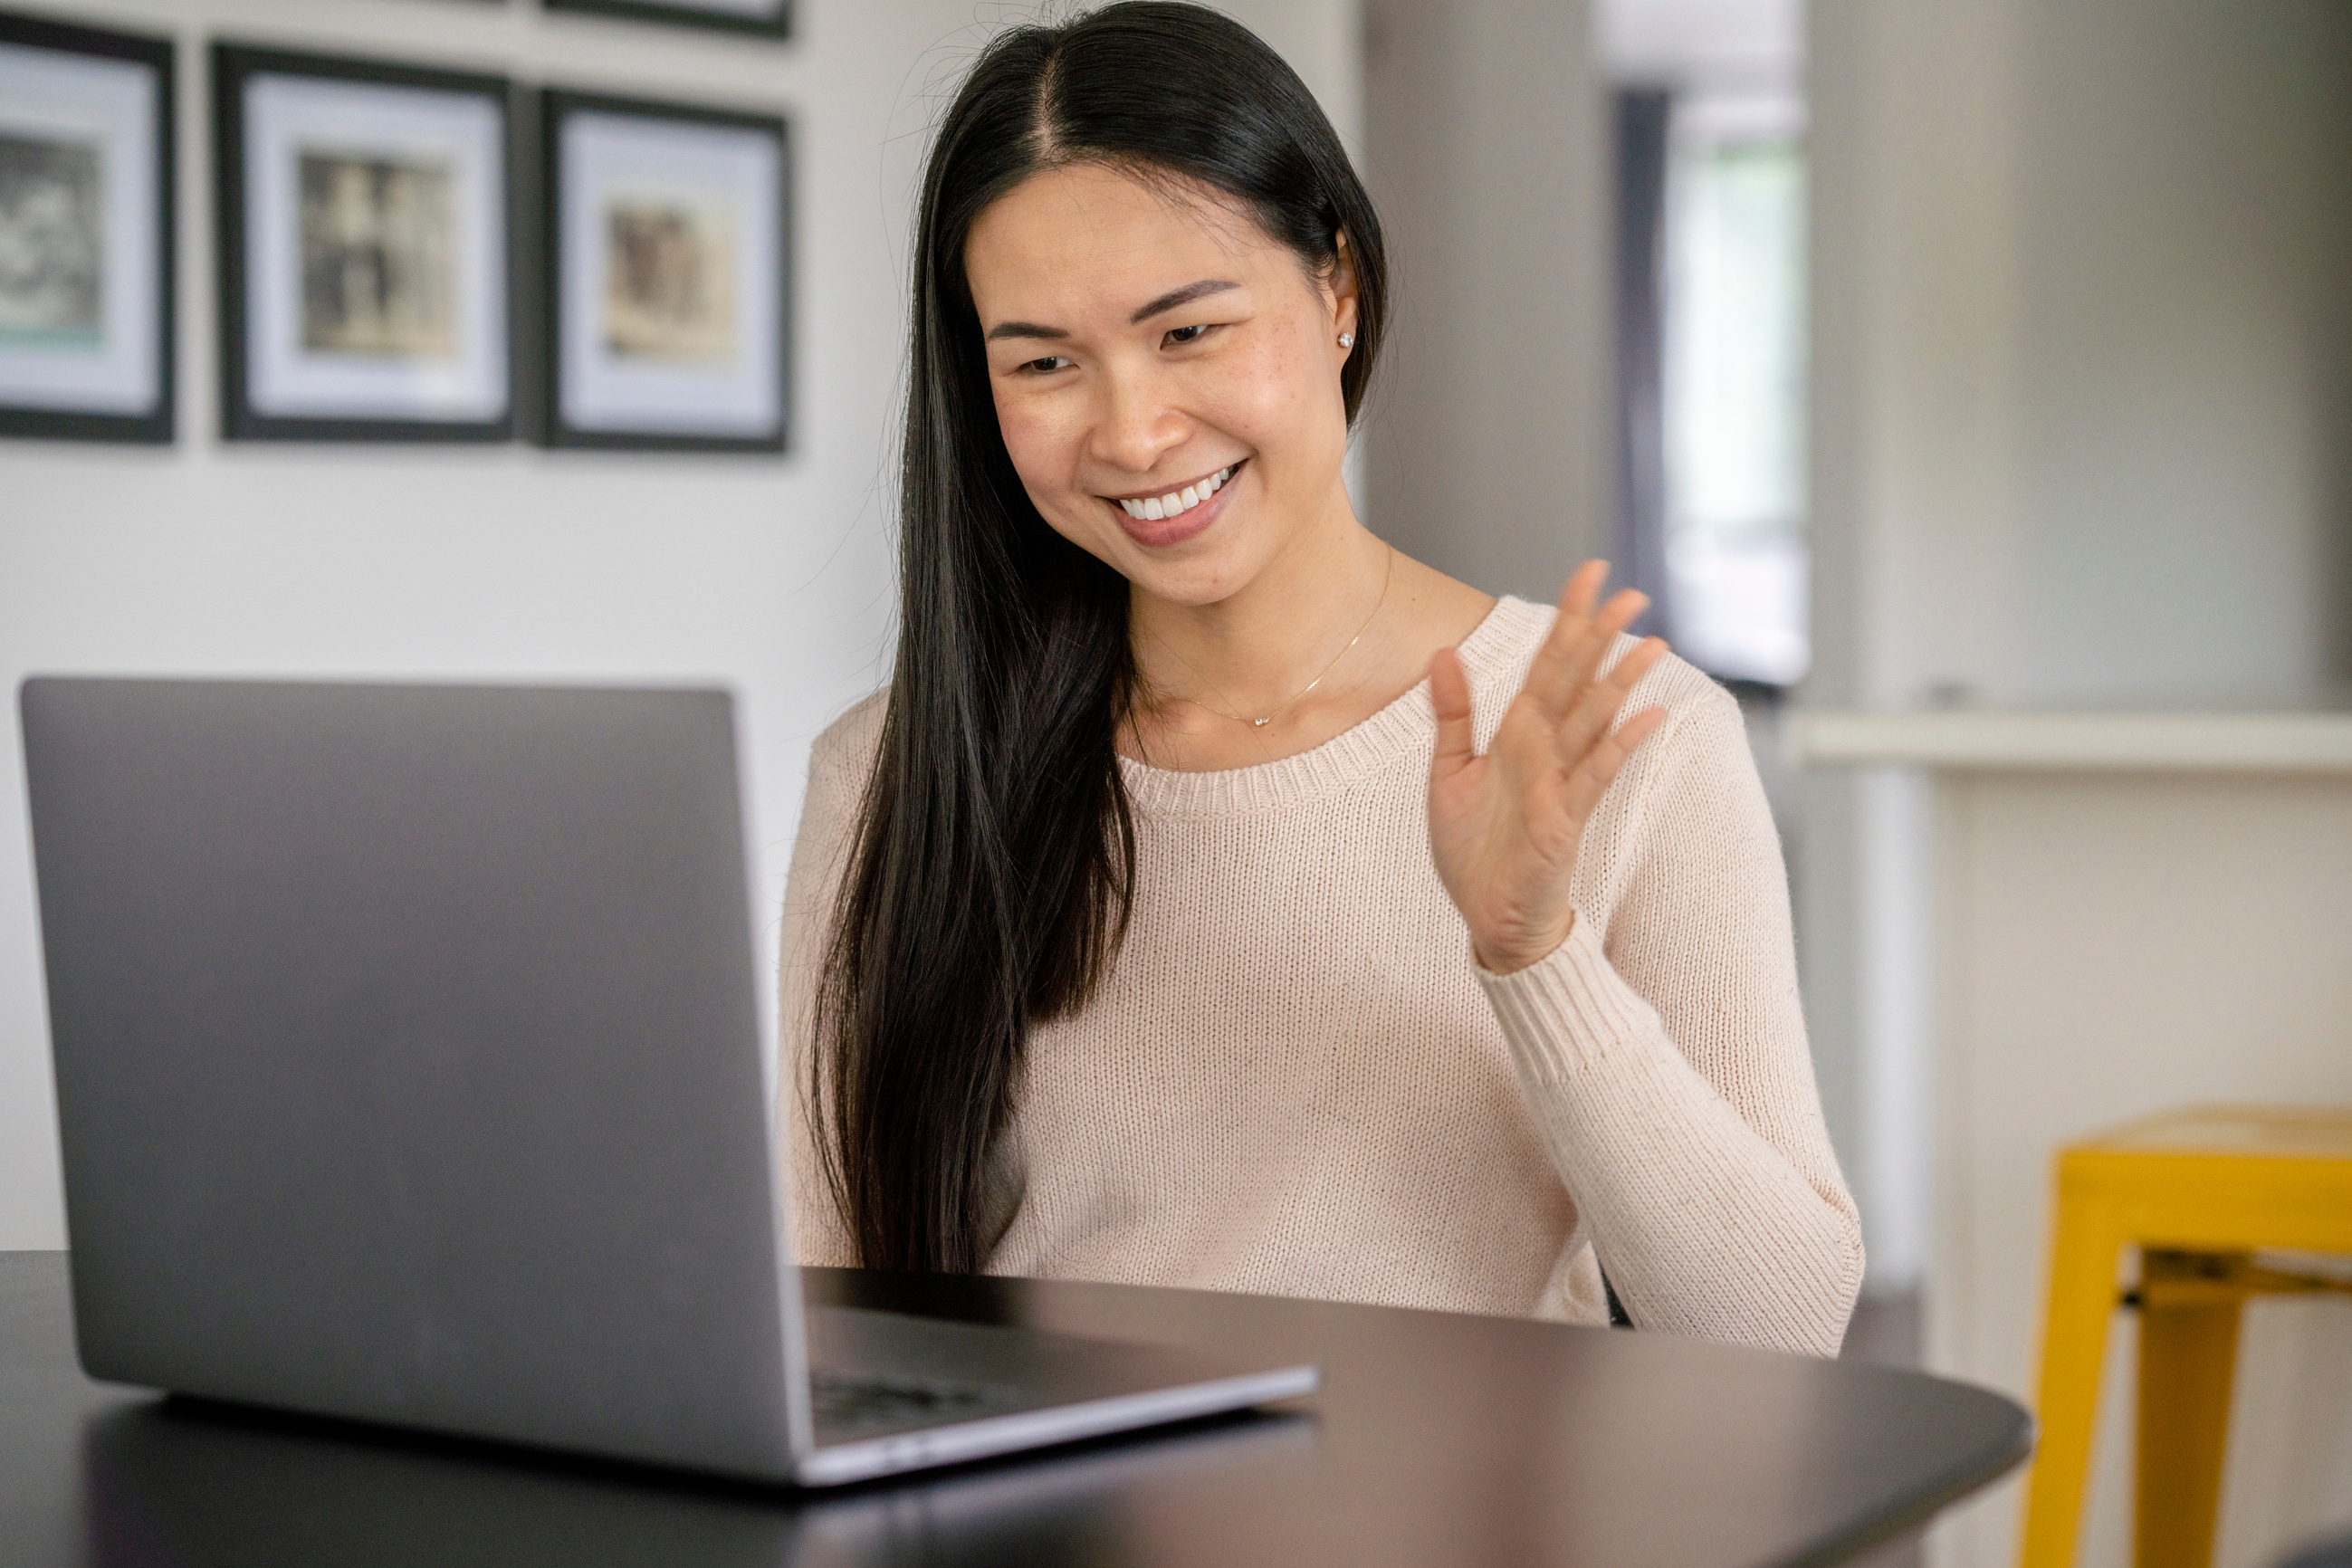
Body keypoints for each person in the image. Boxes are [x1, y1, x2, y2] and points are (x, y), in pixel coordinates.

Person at [779, 1, 1861, 1356]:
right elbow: (823, 1311)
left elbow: (1779, 1331)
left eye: (1188, 332)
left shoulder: (1623, 738)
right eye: (1045, 363)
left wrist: (1532, 953)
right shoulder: (899, 771)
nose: (1131, 431)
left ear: (1335, 289)